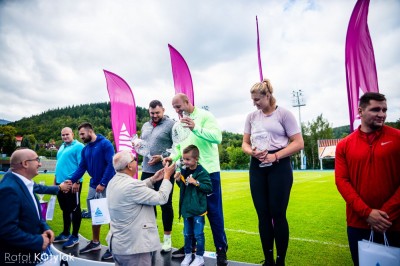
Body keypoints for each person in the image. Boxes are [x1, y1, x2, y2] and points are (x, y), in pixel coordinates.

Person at [241, 79, 304, 266]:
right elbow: (244, 143)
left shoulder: (284, 114)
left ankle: (280, 261)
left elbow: (298, 143)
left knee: (278, 213)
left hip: (279, 166)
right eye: (252, 100)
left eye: (257, 99)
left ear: (268, 96)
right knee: (263, 214)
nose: (255, 103)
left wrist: (275, 157)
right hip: (257, 165)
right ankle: (268, 260)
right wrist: (251, 151)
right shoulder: (251, 117)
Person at [335, 92, 400, 266]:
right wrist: (367, 213)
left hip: (395, 222)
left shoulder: (398, 138)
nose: (382, 114)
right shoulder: (344, 144)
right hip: (359, 223)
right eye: (375, 109)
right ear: (360, 111)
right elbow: (342, 181)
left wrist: (385, 215)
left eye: (384, 110)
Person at [163, 93, 228, 266]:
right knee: (190, 211)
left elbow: (217, 137)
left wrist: (195, 128)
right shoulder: (178, 124)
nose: (177, 111)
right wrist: (173, 158)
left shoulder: (205, 116)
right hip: (187, 172)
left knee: (214, 213)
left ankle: (221, 250)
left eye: (179, 106)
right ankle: (189, 248)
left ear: (187, 102)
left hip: (208, 173)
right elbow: (178, 147)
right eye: (174, 108)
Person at [106, 150, 176, 266]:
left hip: (120, 245)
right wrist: (167, 177)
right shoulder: (132, 185)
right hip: (134, 248)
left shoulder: (113, 182)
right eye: (134, 159)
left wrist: (153, 179)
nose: (136, 161)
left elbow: (133, 190)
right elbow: (162, 198)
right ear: (129, 165)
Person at [68, 122, 115, 260]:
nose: (81, 137)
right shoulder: (85, 149)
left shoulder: (105, 144)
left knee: (111, 217)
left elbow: (111, 165)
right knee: (96, 215)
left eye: (82, 134)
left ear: (90, 132)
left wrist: (103, 182)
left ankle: (114, 247)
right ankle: (95, 243)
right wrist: (71, 180)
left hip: (108, 185)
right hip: (93, 185)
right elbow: (81, 167)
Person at [0, 149, 55, 265]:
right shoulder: (9, 189)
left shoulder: (25, 183)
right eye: (37, 160)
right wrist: (39, 241)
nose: (40, 164)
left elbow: (34, 213)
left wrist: (45, 227)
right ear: (25, 163)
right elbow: (6, 231)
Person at [140, 99, 176, 253]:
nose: (154, 115)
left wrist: (161, 157)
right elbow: (143, 146)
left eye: (157, 113)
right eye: (152, 113)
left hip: (164, 171)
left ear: (163, 110)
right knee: (146, 205)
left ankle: (167, 240)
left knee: (165, 204)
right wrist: (138, 147)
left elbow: (177, 147)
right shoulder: (145, 125)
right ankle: (151, 238)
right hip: (147, 170)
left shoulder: (172, 125)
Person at [174, 145, 212, 266]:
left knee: (198, 235)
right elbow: (184, 188)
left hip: (198, 210)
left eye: (188, 159)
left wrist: (196, 182)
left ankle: (199, 257)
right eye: (184, 159)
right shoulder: (184, 171)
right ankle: (188, 255)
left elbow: (209, 188)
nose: (185, 162)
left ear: (196, 158)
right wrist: (178, 180)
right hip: (186, 209)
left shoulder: (202, 172)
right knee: (187, 234)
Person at [52, 127, 84, 249]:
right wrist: (55, 181)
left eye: (67, 134)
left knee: (75, 209)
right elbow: (58, 164)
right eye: (63, 135)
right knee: (65, 209)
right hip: (60, 184)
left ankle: (74, 236)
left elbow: (82, 165)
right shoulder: (61, 147)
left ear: (72, 134)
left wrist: (77, 181)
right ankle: (66, 233)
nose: (65, 137)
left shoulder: (79, 146)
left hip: (72, 184)